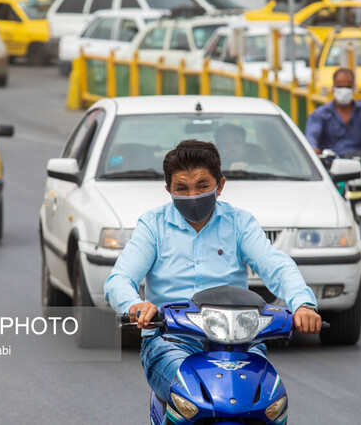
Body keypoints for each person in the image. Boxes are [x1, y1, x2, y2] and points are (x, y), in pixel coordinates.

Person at [104, 140, 321, 403]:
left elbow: (276, 265)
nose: (192, 196)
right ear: (168, 190)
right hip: (171, 340)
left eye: (202, 186)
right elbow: (119, 279)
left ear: (220, 185)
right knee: (192, 394)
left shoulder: (240, 223)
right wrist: (136, 305)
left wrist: (303, 305)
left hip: (242, 341)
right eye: (181, 188)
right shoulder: (153, 226)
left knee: (266, 400)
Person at [305, 67, 361, 252]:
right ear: (333, 88)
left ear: (354, 88)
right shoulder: (320, 115)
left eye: (347, 86)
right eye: (340, 86)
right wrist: (313, 148)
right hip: (333, 167)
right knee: (323, 195)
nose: (344, 90)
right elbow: (311, 136)